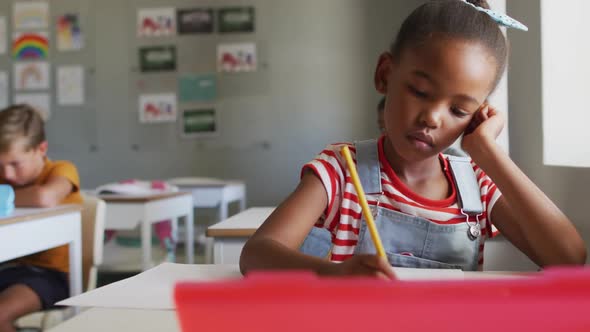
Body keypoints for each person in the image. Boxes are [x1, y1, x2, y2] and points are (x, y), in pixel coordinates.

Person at [240, 0, 586, 279]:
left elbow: (569, 258)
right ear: (385, 75)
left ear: (478, 116)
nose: (432, 118)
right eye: (420, 91)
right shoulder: (340, 171)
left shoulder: (477, 186)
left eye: (459, 110)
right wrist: (335, 273)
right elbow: (257, 255)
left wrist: (489, 153)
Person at [0, 104, 82, 332]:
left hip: (52, 276)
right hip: (9, 268)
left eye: (15, 164)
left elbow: (44, 197)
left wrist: (4, 196)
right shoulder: (6, 178)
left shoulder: (61, 171)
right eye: (0, 165)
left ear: (41, 149)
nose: (7, 174)